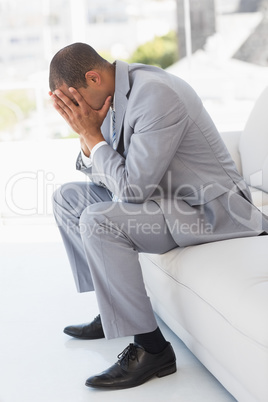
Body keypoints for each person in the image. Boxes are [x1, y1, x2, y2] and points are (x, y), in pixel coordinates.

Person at [49, 42, 268, 390]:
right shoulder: (111, 95)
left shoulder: (155, 96)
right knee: (68, 198)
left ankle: (152, 350)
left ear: (93, 77)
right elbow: (109, 174)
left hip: (208, 211)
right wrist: (86, 136)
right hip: (162, 200)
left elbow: (132, 190)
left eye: (74, 103)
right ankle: (113, 312)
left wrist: (91, 134)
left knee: (98, 220)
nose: (76, 112)